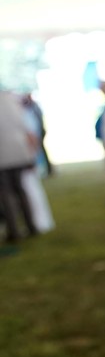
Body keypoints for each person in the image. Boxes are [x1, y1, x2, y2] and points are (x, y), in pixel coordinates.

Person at [0, 88, 39, 245]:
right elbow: (27, 127)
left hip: (3, 157)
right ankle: (31, 226)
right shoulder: (12, 101)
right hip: (19, 152)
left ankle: (14, 231)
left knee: (6, 194)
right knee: (21, 190)